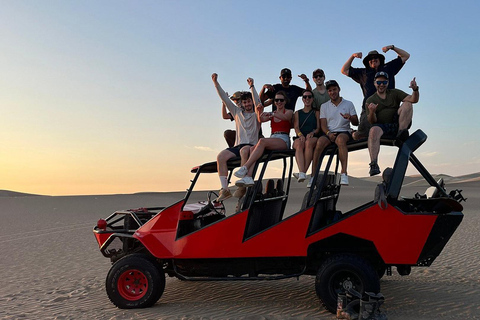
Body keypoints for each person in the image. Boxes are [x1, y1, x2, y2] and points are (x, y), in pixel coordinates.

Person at [341, 45, 410, 140]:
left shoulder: (389, 67)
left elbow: (405, 56)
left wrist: (392, 48)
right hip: (369, 109)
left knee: (407, 107)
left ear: (380, 59)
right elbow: (344, 70)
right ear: (367, 62)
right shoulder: (363, 73)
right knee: (359, 136)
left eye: (375, 57)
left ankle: (401, 132)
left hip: (389, 107)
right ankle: (354, 133)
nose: (373, 60)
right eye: (370, 59)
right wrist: (353, 56)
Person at [212, 74, 261, 201]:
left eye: (249, 101)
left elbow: (258, 102)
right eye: (245, 102)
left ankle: (242, 185)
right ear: (242, 103)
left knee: (244, 150)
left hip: (251, 145)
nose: (247, 104)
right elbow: (224, 98)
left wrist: (252, 87)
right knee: (220, 156)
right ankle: (225, 189)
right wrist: (216, 83)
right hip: (237, 145)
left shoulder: (257, 114)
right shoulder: (237, 112)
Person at [234, 91, 294, 187]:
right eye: (277, 100)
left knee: (261, 141)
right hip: (273, 138)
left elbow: (286, 117)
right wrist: (259, 112)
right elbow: (260, 120)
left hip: (283, 138)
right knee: (252, 149)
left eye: (281, 100)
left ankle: (245, 167)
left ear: (285, 101)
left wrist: (272, 114)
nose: (279, 102)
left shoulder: (288, 112)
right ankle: (249, 177)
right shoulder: (273, 114)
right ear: (274, 102)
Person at [366, 72, 419, 176]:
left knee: (407, 103)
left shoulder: (394, 93)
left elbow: (414, 99)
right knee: (373, 131)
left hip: (397, 123)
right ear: (375, 83)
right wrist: (372, 111)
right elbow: (372, 121)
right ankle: (373, 164)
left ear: (388, 83)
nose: (381, 84)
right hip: (382, 126)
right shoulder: (370, 100)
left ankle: (402, 133)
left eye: (384, 82)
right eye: (379, 82)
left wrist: (415, 89)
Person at [311, 80, 358, 186]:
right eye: (330, 90)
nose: (332, 92)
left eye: (334, 89)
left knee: (341, 140)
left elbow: (356, 122)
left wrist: (350, 117)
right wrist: (328, 133)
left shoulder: (348, 103)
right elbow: (323, 124)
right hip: (329, 132)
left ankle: (344, 173)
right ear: (328, 92)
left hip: (344, 131)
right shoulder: (324, 106)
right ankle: (313, 175)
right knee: (319, 143)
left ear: (339, 89)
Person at [292, 89, 320, 183]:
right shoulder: (297, 113)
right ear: (302, 99)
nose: (307, 99)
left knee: (308, 143)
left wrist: (312, 133)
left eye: (309, 97)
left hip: (312, 136)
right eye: (305, 97)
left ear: (312, 99)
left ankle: (302, 172)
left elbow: (318, 128)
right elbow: (296, 127)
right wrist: (300, 135)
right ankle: (302, 172)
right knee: (299, 145)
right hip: (300, 136)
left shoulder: (316, 112)